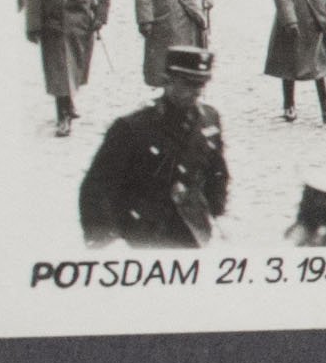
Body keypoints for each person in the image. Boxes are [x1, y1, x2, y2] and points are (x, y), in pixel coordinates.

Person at [79, 46, 228, 248]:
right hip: (143, 233)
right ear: (168, 80)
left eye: (201, 84)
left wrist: (215, 211)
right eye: (188, 83)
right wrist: (102, 239)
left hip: (192, 230)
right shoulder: (132, 127)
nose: (196, 92)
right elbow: (97, 188)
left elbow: (217, 172)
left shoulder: (209, 119)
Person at [24, 0, 112, 136]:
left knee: (77, 64)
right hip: (56, 14)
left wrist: (101, 14)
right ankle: (63, 115)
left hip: (83, 14)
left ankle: (69, 102)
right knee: (60, 66)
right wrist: (33, 24)